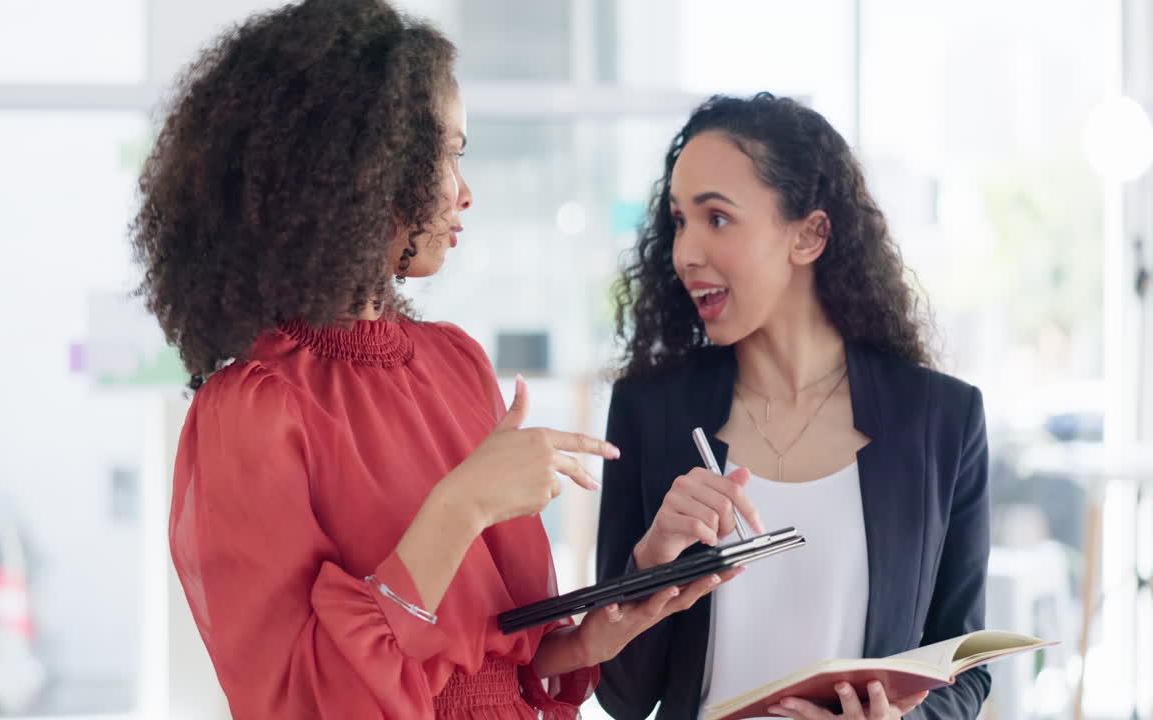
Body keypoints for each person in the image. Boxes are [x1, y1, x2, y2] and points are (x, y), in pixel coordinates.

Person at [130, 2, 735, 718]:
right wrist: (463, 504)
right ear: (359, 170)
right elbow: (304, 701)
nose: (465, 192)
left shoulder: (454, 364)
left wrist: (618, 609)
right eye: (447, 154)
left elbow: (510, 655)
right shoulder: (253, 410)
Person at [596, 93, 990, 720]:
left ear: (809, 234)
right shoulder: (651, 411)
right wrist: (653, 561)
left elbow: (965, 664)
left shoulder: (942, 421)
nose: (684, 253)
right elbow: (622, 695)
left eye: (716, 218)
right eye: (678, 222)